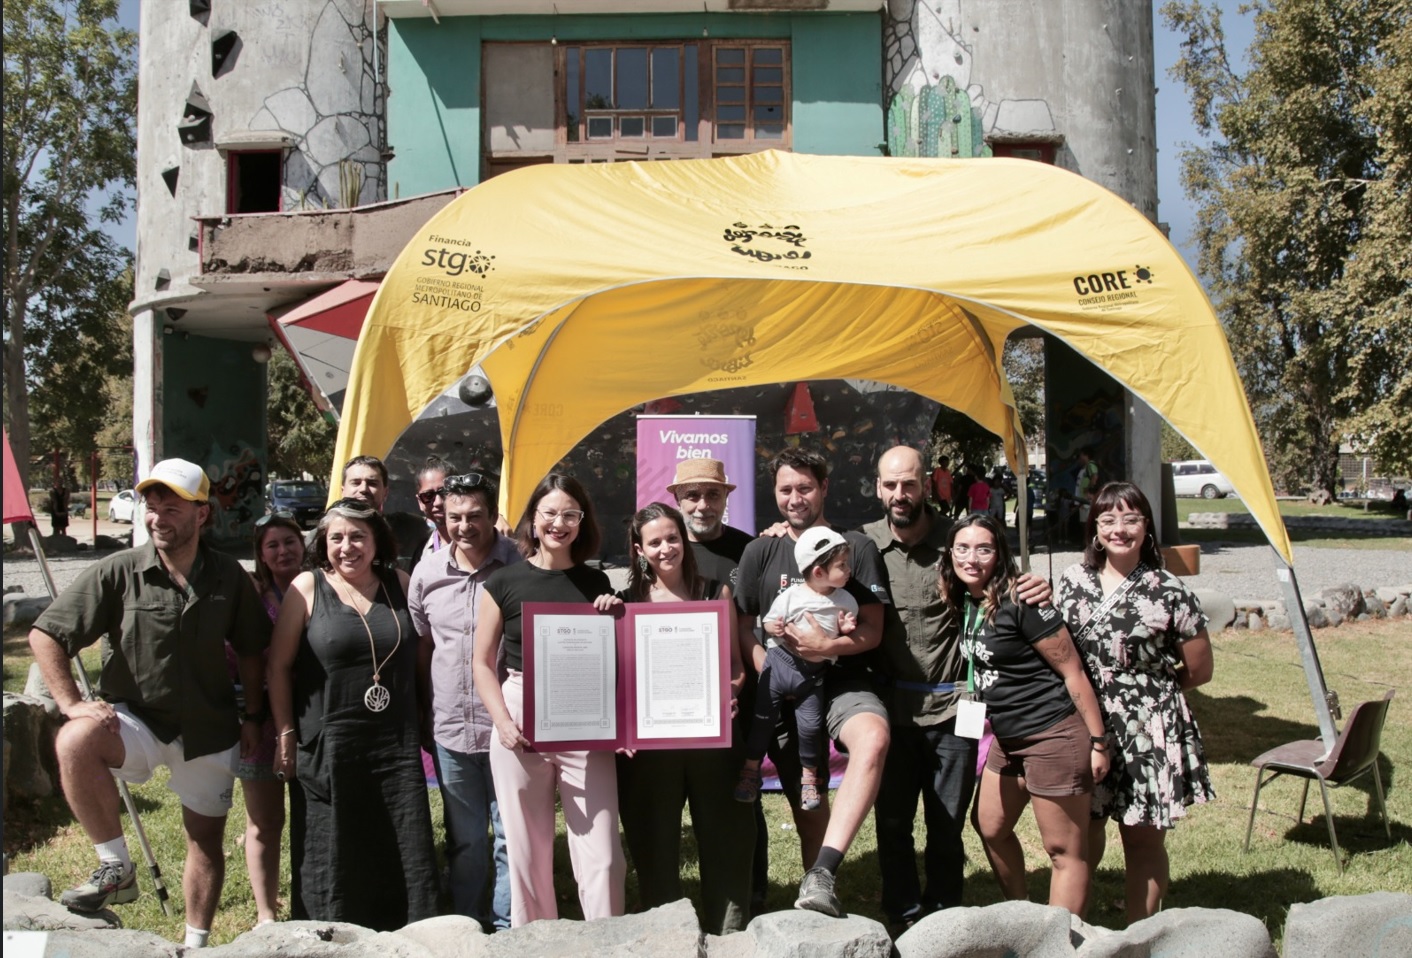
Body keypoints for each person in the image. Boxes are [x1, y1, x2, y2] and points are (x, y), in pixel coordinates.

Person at [28, 458, 270, 948]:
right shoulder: (118, 571)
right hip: (135, 723)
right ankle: (115, 864)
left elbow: (251, 651)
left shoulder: (228, 576)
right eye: (152, 506)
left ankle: (194, 943)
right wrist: (71, 702)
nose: (158, 517)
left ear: (201, 514)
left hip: (209, 727)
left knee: (204, 840)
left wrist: (254, 716)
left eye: (172, 507)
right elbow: (46, 633)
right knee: (75, 739)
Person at [864, 446, 1050, 933]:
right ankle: (903, 919)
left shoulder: (958, 539)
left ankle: (945, 918)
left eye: (909, 484)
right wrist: (779, 534)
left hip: (953, 710)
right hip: (892, 713)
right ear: (878, 488)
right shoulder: (862, 546)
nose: (900, 494)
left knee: (946, 827)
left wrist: (1036, 587)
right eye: (891, 485)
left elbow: (1000, 572)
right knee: (892, 826)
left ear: (926, 483)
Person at [733, 448, 894, 918]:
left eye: (805, 487)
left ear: (824, 488)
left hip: (843, 683)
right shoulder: (761, 550)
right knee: (810, 808)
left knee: (875, 738)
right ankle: (815, 901)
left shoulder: (857, 548)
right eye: (785, 489)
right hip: (782, 689)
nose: (795, 497)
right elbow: (745, 624)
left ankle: (823, 871)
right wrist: (767, 666)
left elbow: (872, 630)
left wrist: (827, 649)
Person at [268, 498, 437, 930]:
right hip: (330, 745)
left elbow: (422, 655)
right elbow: (279, 667)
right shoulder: (306, 588)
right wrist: (286, 733)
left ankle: (404, 930)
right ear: (323, 543)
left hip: (393, 743)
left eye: (358, 536)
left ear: (377, 541)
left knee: (398, 839)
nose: (348, 546)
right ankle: (331, 931)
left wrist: (426, 715)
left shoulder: (399, 582)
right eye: (337, 537)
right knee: (331, 847)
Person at [1055, 481, 1215, 922]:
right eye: (1108, 519)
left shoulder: (1169, 589)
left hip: (1149, 729)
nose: (1119, 529)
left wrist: (1152, 698)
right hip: (1085, 723)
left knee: (1142, 837)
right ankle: (1076, 924)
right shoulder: (1072, 581)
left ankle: (1139, 933)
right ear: (1095, 528)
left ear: (1147, 527)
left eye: (1131, 519)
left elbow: (1199, 670)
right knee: (1084, 827)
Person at [472, 474, 626, 926]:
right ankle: (534, 944)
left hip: (585, 714)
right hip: (519, 713)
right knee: (525, 847)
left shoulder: (597, 581)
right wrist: (501, 722)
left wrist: (612, 617)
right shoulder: (503, 582)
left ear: (582, 522)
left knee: (602, 852)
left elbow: (615, 657)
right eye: (550, 513)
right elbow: (482, 662)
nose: (559, 523)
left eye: (570, 514)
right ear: (533, 520)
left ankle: (606, 941)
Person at [947, 513, 1109, 915]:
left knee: (1064, 851)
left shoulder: (1023, 598)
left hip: (1054, 734)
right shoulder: (968, 598)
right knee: (990, 826)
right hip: (1008, 738)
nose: (972, 558)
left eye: (984, 548)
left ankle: (1062, 942)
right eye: (962, 548)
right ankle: (1022, 916)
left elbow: (1073, 671)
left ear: (999, 553)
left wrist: (1099, 741)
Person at [607, 502, 754, 934]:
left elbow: (736, 667)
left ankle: (730, 935)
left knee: (726, 838)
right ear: (639, 549)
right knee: (654, 843)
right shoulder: (625, 603)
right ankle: (665, 934)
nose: (666, 547)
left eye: (672, 537)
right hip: (651, 750)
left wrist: (730, 692)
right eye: (655, 541)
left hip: (711, 739)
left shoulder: (715, 594)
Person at [408, 472, 518, 931]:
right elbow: (422, 646)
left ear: (493, 515)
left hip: (508, 727)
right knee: (467, 839)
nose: (464, 526)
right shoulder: (427, 573)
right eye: (455, 517)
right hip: (451, 726)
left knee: (509, 837)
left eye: (475, 516)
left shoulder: (518, 565)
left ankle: (509, 923)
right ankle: (467, 924)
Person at [736, 527, 857, 812]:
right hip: (778, 667)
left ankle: (809, 779)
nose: (848, 570)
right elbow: (767, 621)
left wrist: (847, 628)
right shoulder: (791, 596)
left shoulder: (845, 599)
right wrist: (773, 626)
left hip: (812, 678)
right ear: (818, 572)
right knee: (762, 721)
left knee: (811, 728)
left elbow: (844, 629)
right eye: (842, 565)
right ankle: (750, 771)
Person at [228, 512, 305, 926]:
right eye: (272, 545)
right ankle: (265, 913)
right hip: (261, 721)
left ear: (303, 544)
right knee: (264, 820)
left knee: (316, 816)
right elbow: (234, 659)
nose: (282, 551)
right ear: (260, 554)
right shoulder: (252, 597)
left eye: (289, 542)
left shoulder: (325, 586)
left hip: (313, 717)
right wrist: (250, 715)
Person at [668, 459, 755, 588]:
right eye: (692, 495)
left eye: (713, 495)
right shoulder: (665, 553)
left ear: (726, 497)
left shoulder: (750, 550)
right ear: (677, 500)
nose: (702, 506)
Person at [410, 456, 455, 570]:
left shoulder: (482, 539)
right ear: (420, 502)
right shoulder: (421, 553)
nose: (438, 502)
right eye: (428, 496)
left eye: (445, 492)